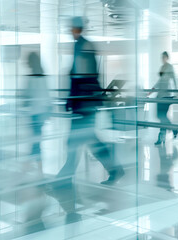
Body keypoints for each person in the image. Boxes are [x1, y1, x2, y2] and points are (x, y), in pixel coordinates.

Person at [57, 16, 124, 185]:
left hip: (83, 103)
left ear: (76, 28)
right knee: (89, 141)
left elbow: (82, 78)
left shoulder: (83, 46)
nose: (69, 31)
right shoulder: (82, 45)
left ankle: (63, 180)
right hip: (85, 102)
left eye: (71, 28)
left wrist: (71, 100)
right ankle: (115, 169)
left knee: (74, 142)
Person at [24, 52, 50, 173]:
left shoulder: (33, 77)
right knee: (36, 141)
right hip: (41, 113)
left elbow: (28, 96)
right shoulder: (42, 76)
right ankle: (35, 166)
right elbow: (46, 95)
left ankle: (34, 166)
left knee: (35, 141)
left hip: (36, 114)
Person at [149, 51, 178, 145]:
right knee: (160, 116)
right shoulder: (162, 67)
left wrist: (177, 93)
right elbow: (160, 81)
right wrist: (152, 90)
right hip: (160, 95)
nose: (162, 59)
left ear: (167, 57)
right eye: (161, 57)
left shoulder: (170, 67)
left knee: (162, 116)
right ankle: (173, 130)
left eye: (163, 57)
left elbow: (174, 80)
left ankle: (161, 138)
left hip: (167, 95)